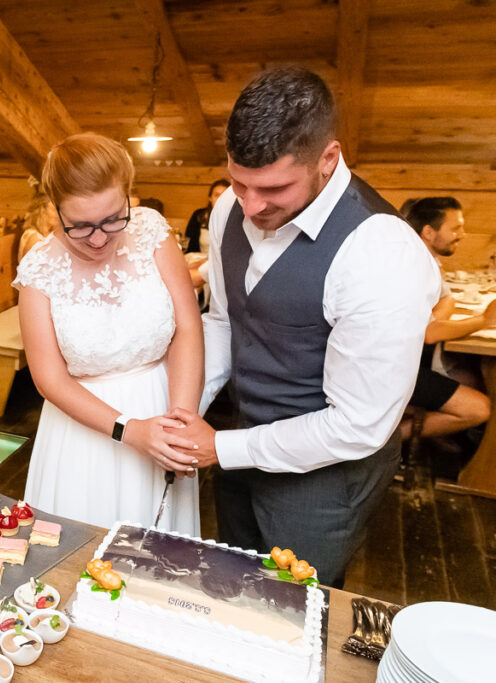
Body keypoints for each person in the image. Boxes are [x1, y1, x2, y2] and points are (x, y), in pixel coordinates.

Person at [168, 67, 440, 587]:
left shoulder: (380, 251)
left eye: (274, 188)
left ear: (327, 159)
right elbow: (226, 321)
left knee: (291, 608)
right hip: (237, 447)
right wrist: (187, 412)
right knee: (230, 587)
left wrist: (220, 448)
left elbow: (359, 424)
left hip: (324, 481)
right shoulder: (229, 209)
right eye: (238, 182)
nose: (250, 205)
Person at [13, 132, 204, 531]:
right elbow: (49, 379)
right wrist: (129, 430)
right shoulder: (39, 269)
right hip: (83, 431)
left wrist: (181, 423)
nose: (99, 238)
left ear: (129, 194)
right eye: (81, 226)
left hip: (163, 404)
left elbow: (187, 327)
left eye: (114, 218)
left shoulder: (152, 233)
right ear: (54, 208)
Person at [403, 197, 491, 439]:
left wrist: (439, 318)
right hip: (392, 368)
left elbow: (446, 299)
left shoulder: (427, 261)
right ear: (429, 232)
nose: (462, 235)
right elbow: (430, 334)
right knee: (480, 408)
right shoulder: (414, 268)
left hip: (409, 360)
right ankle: (388, 442)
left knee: (474, 377)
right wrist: (484, 321)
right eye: (455, 228)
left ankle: (440, 438)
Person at [184, 179, 230, 254]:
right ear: (210, 198)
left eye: (224, 195)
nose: (220, 199)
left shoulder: (237, 218)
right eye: (216, 195)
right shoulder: (198, 215)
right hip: (199, 258)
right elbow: (189, 245)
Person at [17, 191, 57, 263]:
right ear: (42, 212)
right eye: (54, 210)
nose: (59, 215)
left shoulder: (46, 235)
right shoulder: (34, 238)